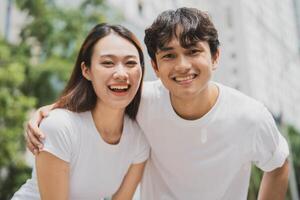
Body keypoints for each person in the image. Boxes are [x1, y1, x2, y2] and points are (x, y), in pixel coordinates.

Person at [25, 7, 289, 200]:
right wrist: (49, 111)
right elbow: (98, 98)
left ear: (215, 56)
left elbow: (279, 163)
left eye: (193, 51)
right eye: (170, 55)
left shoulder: (250, 116)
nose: (183, 66)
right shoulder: (142, 101)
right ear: (155, 66)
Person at [12, 23, 150, 200]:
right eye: (108, 63)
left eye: (130, 63)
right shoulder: (60, 126)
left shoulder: (138, 139)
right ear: (86, 70)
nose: (121, 73)